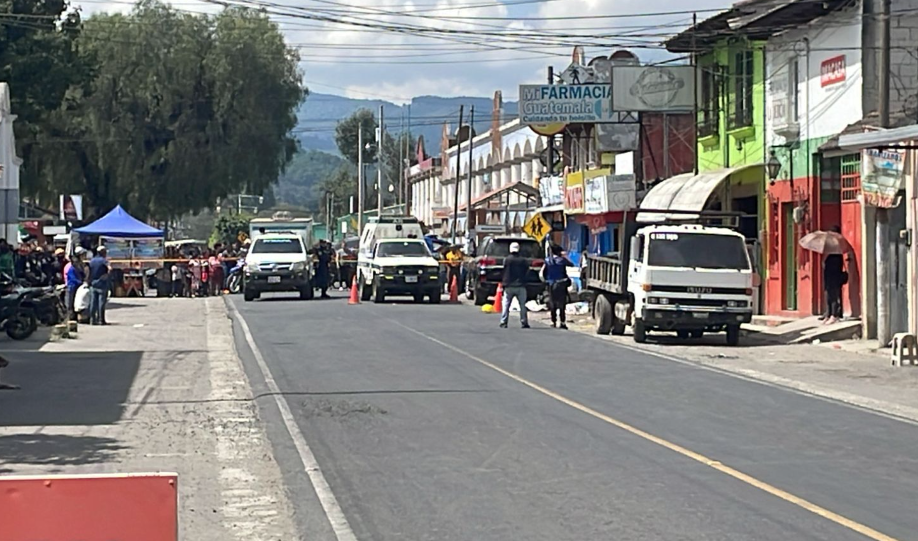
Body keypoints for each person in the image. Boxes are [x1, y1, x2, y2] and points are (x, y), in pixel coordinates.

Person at [499, 241, 530, 329]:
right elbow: (527, 271)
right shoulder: (523, 260)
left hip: (509, 285)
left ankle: (503, 322)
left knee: (506, 305)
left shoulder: (507, 260)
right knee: (522, 305)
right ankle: (524, 322)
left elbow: (503, 271)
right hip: (521, 285)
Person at [543, 244, 573, 329]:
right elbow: (571, 264)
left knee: (553, 303)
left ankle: (553, 321)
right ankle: (562, 322)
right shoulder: (562, 260)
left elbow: (543, 273)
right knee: (562, 304)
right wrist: (565, 256)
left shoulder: (547, 260)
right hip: (561, 284)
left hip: (551, 284)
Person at [823, 226, 846, 325]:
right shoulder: (830, 249)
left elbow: (837, 265)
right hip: (828, 274)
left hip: (835, 275)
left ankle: (834, 314)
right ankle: (828, 314)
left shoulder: (838, 250)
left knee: (834, 293)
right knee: (828, 293)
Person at [88, 246, 110, 325]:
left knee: (93, 302)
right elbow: (110, 268)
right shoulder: (103, 260)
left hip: (93, 283)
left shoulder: (92, 261)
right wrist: (106, 275)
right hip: (102, 283)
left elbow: (88, 271)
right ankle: (101, 320)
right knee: (101, 302)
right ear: (103, 252)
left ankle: (92, 320)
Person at [65, 248, 87, 321]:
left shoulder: (80, 265)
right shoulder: (73, 266)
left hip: (78, 286)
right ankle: (71, 318)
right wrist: (80, 282)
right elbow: (72, 277)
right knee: (70, 303)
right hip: (72, 286)